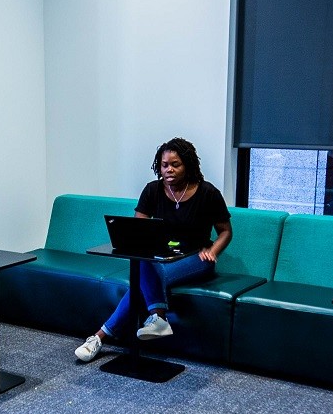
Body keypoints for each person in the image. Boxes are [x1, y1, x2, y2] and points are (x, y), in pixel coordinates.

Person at [75, 138, 234, 363]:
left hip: (197, 257)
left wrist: (214, 251)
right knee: (142, 261)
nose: (168, 169)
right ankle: (157, 319)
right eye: (164, 164)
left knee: (141, 277)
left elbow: (226, 231)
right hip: (159, 257)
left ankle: (100, 337)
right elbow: (138, 231)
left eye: (175, 164)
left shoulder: (208, 193)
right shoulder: (153, 190)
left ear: (188, 164)